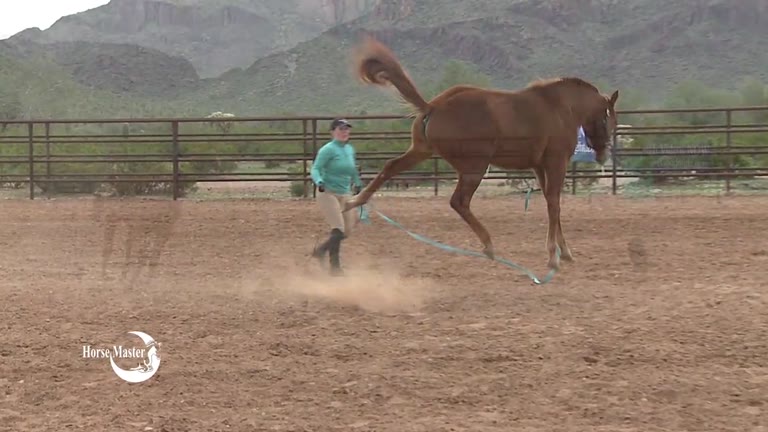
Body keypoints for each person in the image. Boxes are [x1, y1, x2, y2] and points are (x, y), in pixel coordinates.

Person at [310, 118, 364, 276]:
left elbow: (352, 169)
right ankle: (334, 266)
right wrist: (319, 181)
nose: (344, 132)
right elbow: (315, 169)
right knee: (338, 229)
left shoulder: (349, 149)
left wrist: (358, 182)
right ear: (333, 132)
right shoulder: (327, 150)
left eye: (346, 129)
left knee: (346, 231)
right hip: (327, 192)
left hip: (345, 193)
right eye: (341, 129)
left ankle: (322, 252)